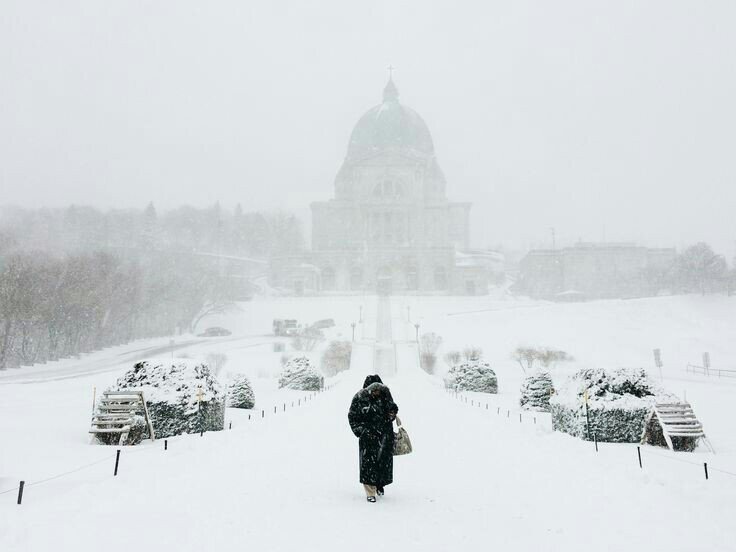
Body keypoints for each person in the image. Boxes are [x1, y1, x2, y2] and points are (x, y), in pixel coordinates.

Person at [348, 375, 399, 502]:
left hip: (385, 436)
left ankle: (380, 485)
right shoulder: (360, 398)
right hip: (368, 438)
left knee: (383, 463)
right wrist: (363, 431)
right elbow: (353, 417)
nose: (376, 392)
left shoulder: (386, 395)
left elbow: (392, 410)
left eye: (378, 389)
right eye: (374, 389)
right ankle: (370, 491)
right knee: (368, 464)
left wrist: (392, 414)